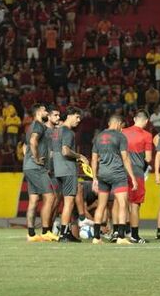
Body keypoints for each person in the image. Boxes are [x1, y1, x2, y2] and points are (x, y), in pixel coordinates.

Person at [90, 115, 137, 245]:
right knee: (122, 204)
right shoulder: (120, 136)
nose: (122, 129)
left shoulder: (98, 137)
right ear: (118, 124)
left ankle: (96, 237)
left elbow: (94, 159)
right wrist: (133, 177)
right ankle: (121, 236)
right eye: (122, 126)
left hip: (102, 175)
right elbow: (126, 157)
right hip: (117, 174)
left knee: (101, 205)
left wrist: (94, 177)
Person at [22, 105, 56, 242]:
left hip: (29, 167)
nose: (47, 112)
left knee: (34, 200)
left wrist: (29, 159)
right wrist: (36, 158)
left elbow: (25, 146)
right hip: (36, 167)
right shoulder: (38, 125)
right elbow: (32, 141)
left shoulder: (32, 126)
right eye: (45, 110)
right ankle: (46, 231)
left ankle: (31, 234)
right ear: (38, 112)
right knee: (50, 197)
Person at [121, 111, 154, 243]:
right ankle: (134, 235)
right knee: (135, 205)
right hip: (136, 172)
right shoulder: (147, 135)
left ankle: (118, 233)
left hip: (121, 171)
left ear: (134, 119)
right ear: (146, 121)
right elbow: (148, 158)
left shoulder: (123, 132)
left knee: (120, 202)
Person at [54, 107, 84, 243]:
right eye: (77, 117)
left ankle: (65, 232)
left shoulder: (56, 131)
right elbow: (65, 151)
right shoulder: (68, 132)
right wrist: (80, 156)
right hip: (67, 169)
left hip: (58, 169)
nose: (79, 120)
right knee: (69, 202)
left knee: (64, 203)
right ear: (70, 116)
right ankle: (64, 233)